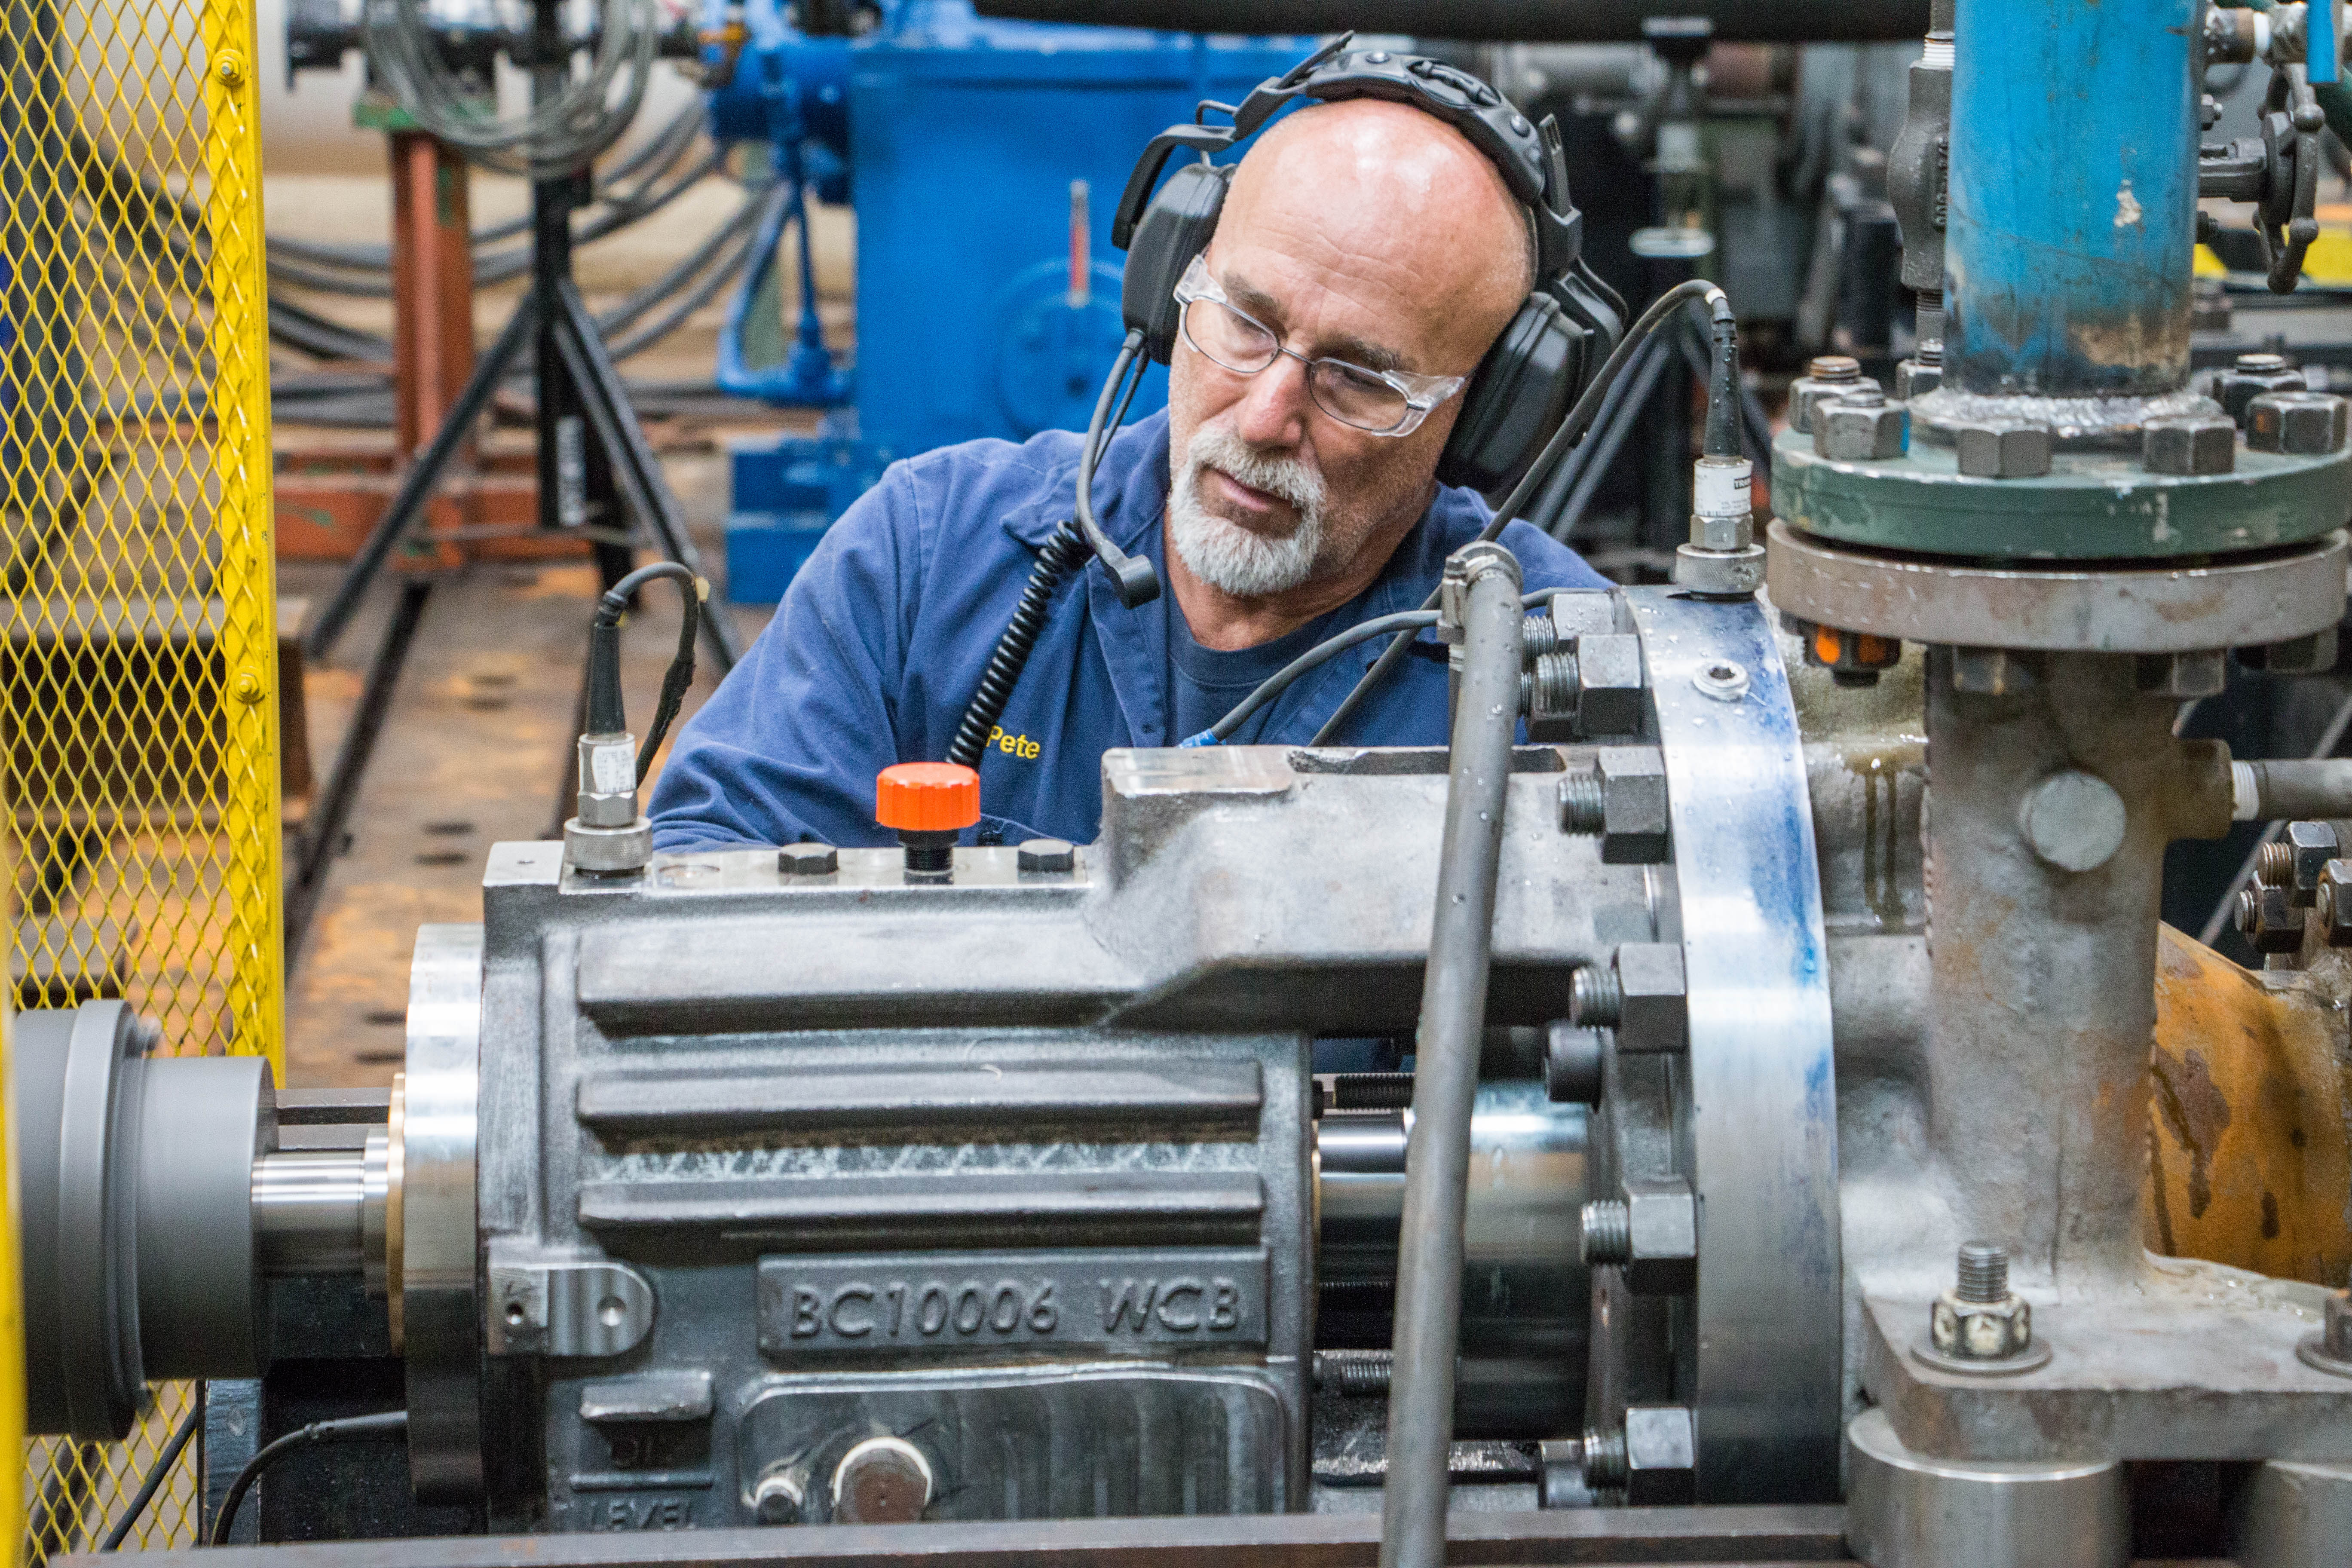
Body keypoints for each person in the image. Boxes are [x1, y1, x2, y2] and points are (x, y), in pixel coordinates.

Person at [649, 94, 1608, 851]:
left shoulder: (1565, 664)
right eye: (1244, 324)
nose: (1267, 415)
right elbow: (704, 871)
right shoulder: (930, 554)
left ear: (1483, 417)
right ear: (1165, 290)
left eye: (1357, 378)